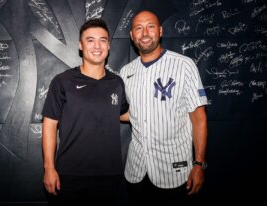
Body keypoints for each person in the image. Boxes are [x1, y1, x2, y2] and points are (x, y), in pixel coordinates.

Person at [119, 10, 208, 206]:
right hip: (137, 172)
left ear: (160, 31)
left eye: (150, 27)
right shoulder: (126, 72)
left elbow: (198, 117)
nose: (144, 33)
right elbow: (129, 114)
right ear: (132, 36)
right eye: (138, 28)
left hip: (175, 172)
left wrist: (199, 164)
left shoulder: (184, 65)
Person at [42, 18, 128, 206]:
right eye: (90, 40)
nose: (97, 46)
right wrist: (49, 167)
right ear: (81, 46)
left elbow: (123, 114)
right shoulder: (62, 81)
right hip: (70, 175)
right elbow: (49, 125)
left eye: (103, 40)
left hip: (109, 175)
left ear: (109, 45)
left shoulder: (117, 83)